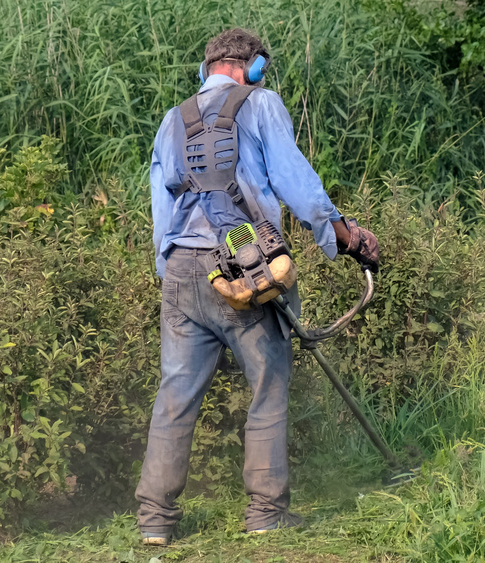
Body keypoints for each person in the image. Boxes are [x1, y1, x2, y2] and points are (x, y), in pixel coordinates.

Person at [135, 28, 380, 545]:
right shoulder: (261, 102)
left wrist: (172, 276)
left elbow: (160, 212)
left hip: (181, 268)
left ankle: (154, 521)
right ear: (257, 66)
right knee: (267, 386)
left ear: (205, 71)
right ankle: (266, 512)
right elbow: (300, 187)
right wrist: (345, 236)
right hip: (246, 267)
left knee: (175, 392)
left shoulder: (170, 120)